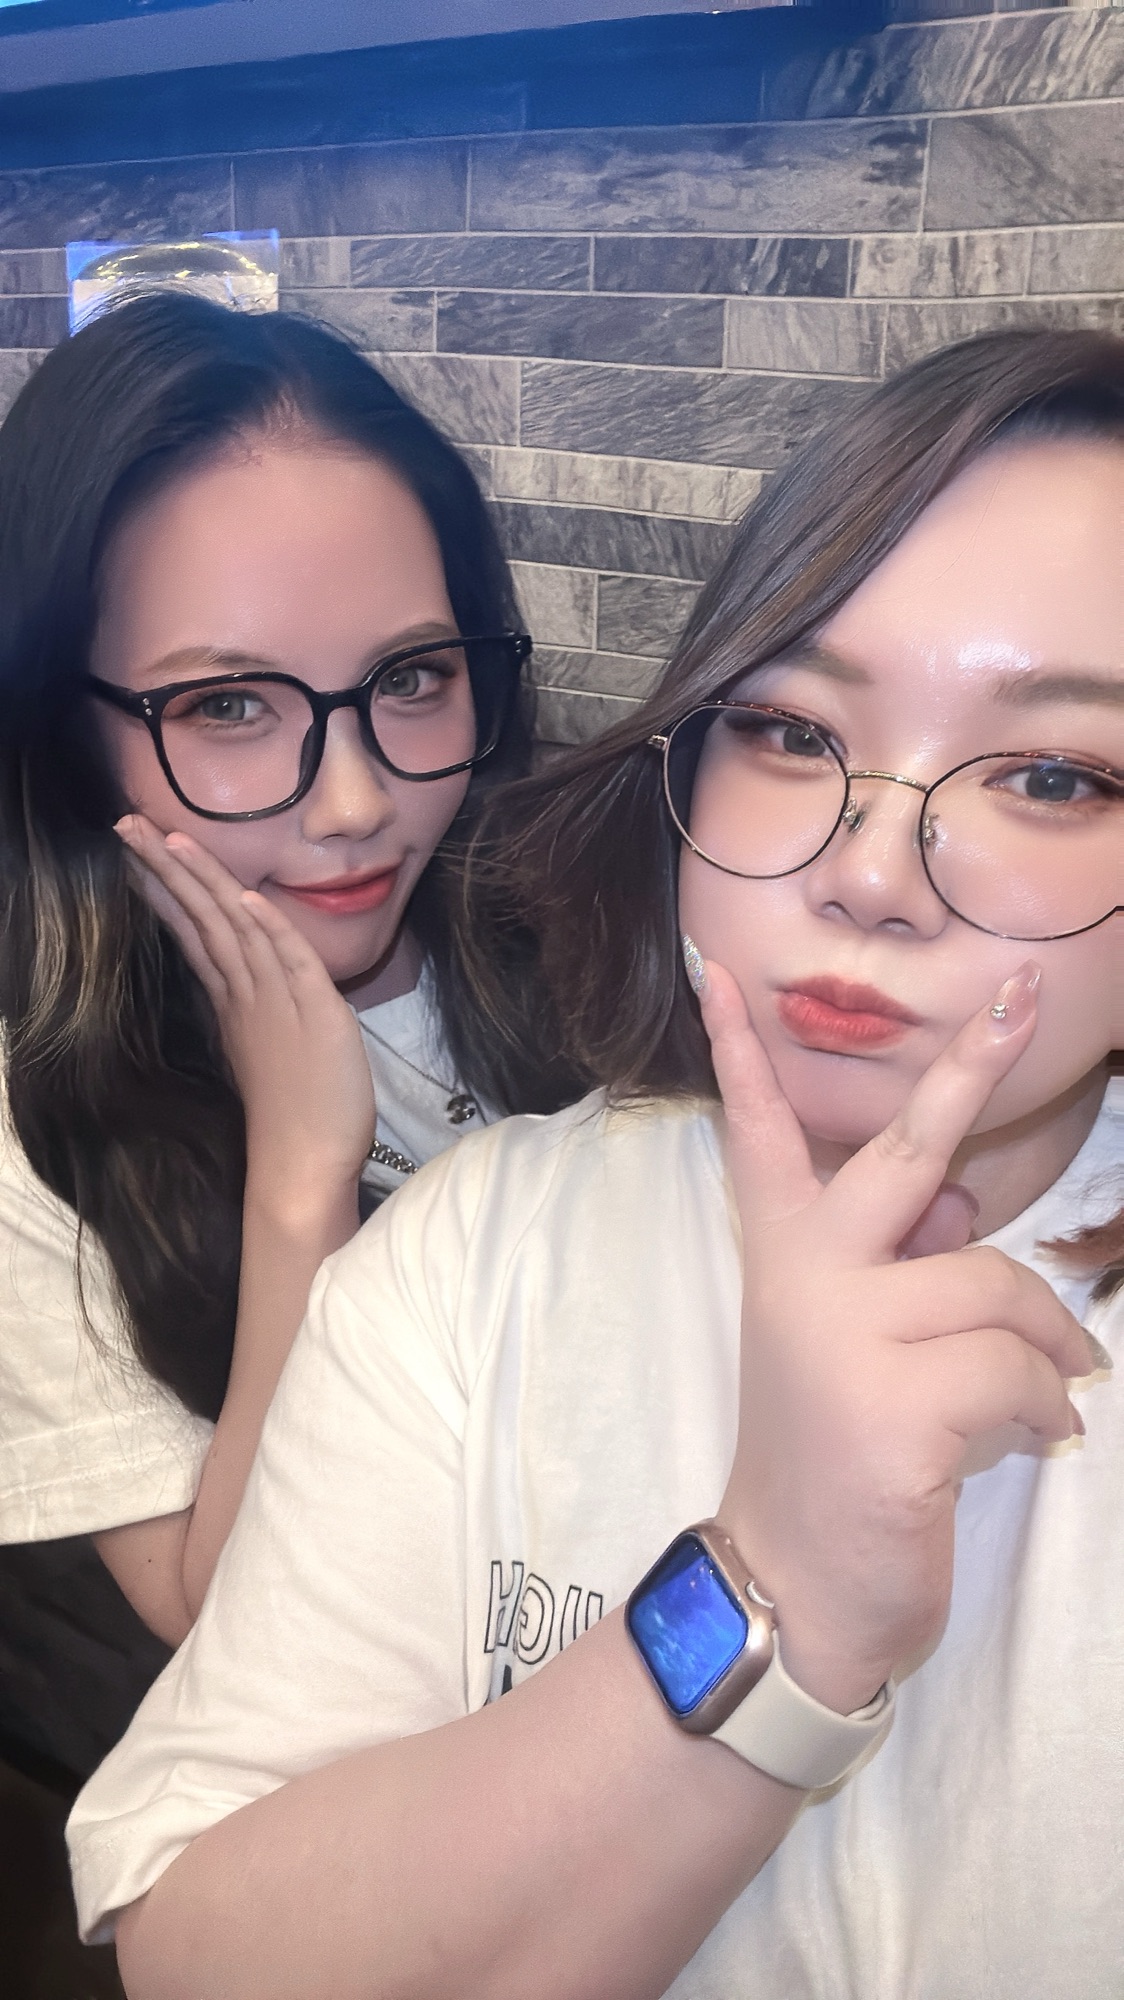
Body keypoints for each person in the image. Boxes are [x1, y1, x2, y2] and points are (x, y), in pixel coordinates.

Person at [68, 328, 1121, 2000]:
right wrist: (768, 1593)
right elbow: (197, 1941)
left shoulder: (497, 973)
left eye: (1055, 777)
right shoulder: (469, 1251)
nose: (868, 873)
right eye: (792, 731)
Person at [0, 292, 541, 1761]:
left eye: (413, 680)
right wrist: (302, 1176)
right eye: (229, 706)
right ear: (63, 726)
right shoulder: (34, 1115)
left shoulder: (569, 921)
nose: (356, 802)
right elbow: (215, 1611)